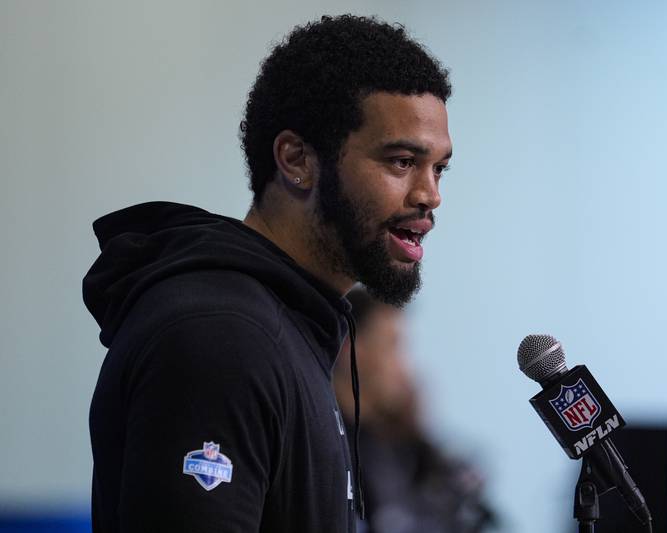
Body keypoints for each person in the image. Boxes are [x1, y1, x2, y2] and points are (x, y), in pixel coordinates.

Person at [82, 15, 452, 533]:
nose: (430, 194)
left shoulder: (292, 328)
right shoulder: (220, 337)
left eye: (439, 168)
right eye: (402, 161)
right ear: (296, 159)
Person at [334, 288, 497, 533]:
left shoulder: (398, 444)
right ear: (350, 349)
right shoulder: (326, 444)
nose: (404, 366)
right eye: (392, 346)